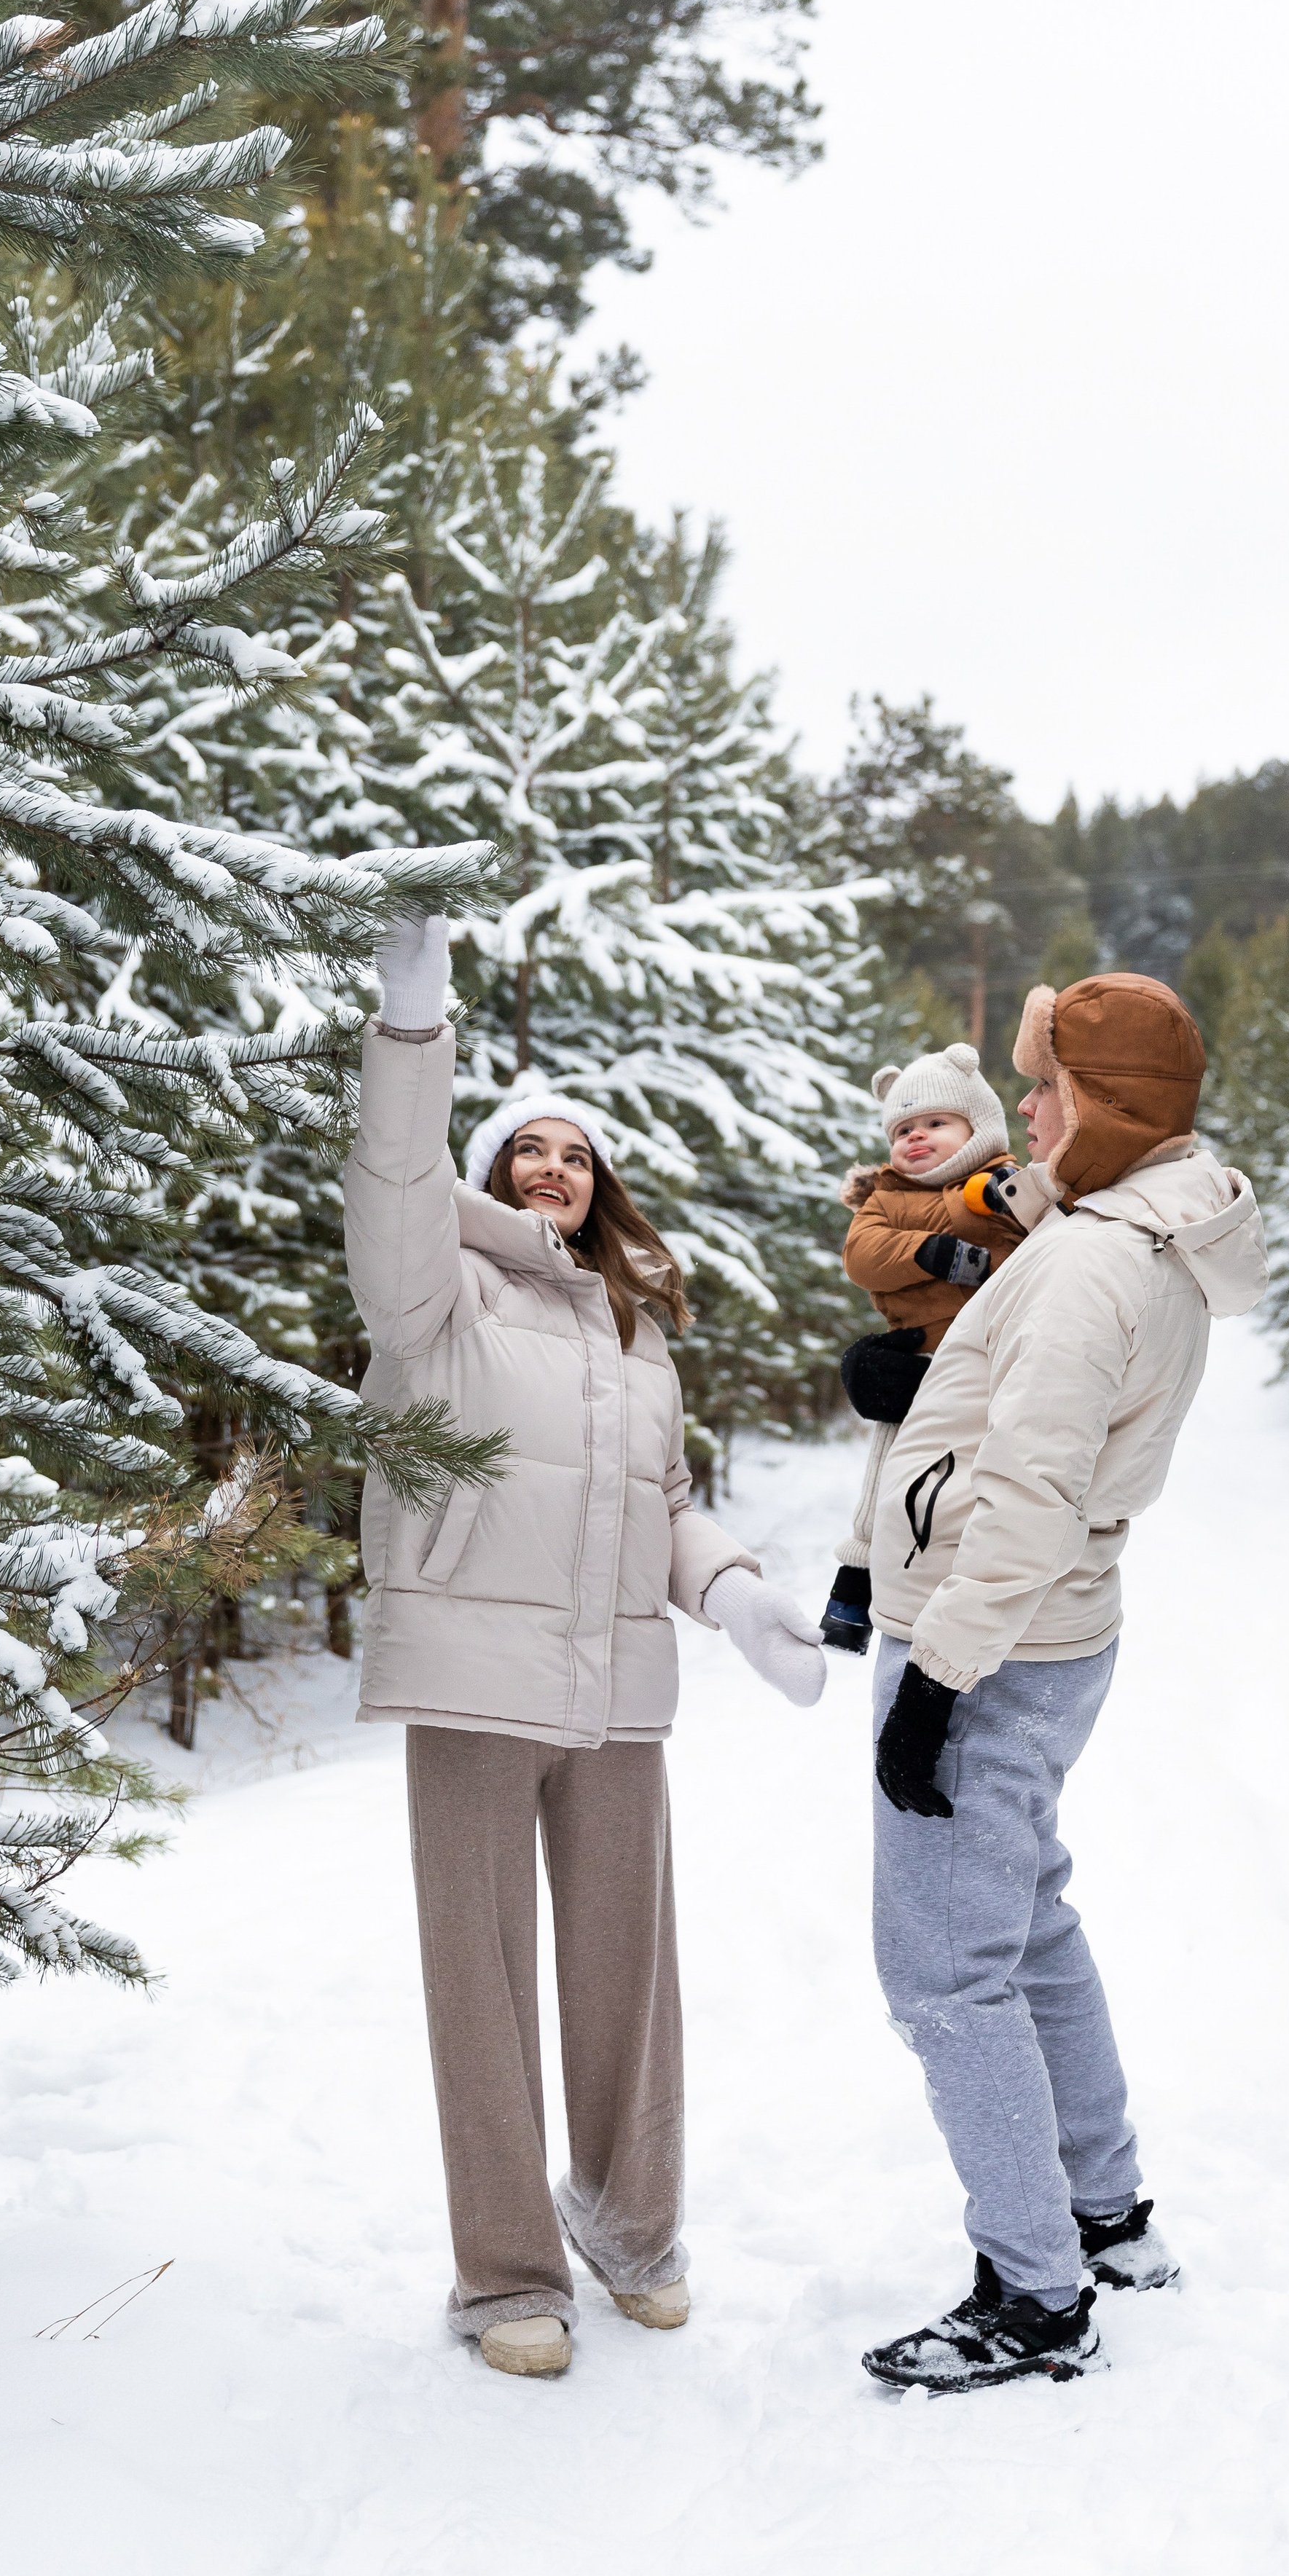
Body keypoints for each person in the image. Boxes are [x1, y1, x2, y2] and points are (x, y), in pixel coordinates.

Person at [345, 915, 825, 2383]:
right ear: (489, 1177)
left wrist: (733, 1592)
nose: (550, 1169)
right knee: (479, 1978)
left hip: (617, 1692)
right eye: (523, 1152)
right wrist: (414, 1026)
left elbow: (656, 1508)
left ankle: (628, 2227)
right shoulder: (441, 1298)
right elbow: (393, 1186)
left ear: (598, 1181)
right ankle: (505, 2276)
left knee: (630, 1969)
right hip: (474, 1680)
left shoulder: (632, 1331)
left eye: (572, 1154)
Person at [858, 973, 1267, 2395]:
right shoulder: (1121, 1228)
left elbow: (1026, 1494)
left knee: (944, 1972)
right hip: (1053, 1633)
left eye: (1043, 1090)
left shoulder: (1098, 1262)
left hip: (991, 1640)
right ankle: (1102, 2210)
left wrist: (934, 1682)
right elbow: (1013, 1373)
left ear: (1102, 1103)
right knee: (1023, 1919)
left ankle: (1032, 2292)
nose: (1020, 1112)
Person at [820, 1043, 1027, 1653]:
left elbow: (1029, 1232)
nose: (916, 1138)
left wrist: (976, 1200)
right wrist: (928, 1254)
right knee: (886, 1474)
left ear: (978, 1127)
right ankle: (853, 1587)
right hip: (912, 1362)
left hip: (988, 1367)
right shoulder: (883, 1196)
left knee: (970, 1484)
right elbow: (862, 1256)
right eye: (903, 1128)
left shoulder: (999, 1185)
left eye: (935, 1123)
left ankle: (970, 1590)